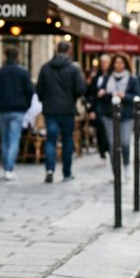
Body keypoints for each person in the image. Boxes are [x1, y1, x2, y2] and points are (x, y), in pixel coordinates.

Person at [36, 40, 86, 182]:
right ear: (69, 51)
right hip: (67, 109)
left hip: (50, 109)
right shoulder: (73, 69)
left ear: (56, 50)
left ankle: (50, 169)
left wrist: (45, 100)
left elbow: (39, 89)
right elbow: (81, 89)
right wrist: (72, 97)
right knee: (67, 140)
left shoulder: (45, 68)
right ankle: (67, 172)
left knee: (51, 140)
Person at [0, 46, 34, 180]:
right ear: (18, 57)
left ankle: (6, 168)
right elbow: (29, 91)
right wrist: (26, 106)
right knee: (14, 139)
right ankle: (10, 168)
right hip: (18, 109)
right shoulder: (23, 72)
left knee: (5, 140)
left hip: (3, 109)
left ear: (5, 56)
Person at [97, 52, 140, 181]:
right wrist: (104, 93)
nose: (118, 65)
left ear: (126, 64)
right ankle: (116, 172)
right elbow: (100, 96)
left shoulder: (132, 79)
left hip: (126, 115)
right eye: (116, 62)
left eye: (121, 62)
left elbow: (138, 97)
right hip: (109, 114)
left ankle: (126, 165)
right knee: (112, 144)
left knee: (125, 142)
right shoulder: (106, 78)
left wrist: (124, 96)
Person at [87, 54, 112, 165]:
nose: (103, 65)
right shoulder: (96, 77)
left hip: (110, 107)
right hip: (98, 108)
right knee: (100, 132)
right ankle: (102, 154)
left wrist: (106, 93)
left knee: (110, 132)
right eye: (102, 63)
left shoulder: (112, 77)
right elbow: (91, 94)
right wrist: (91, 110)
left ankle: (110, 151)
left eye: (105, 63)